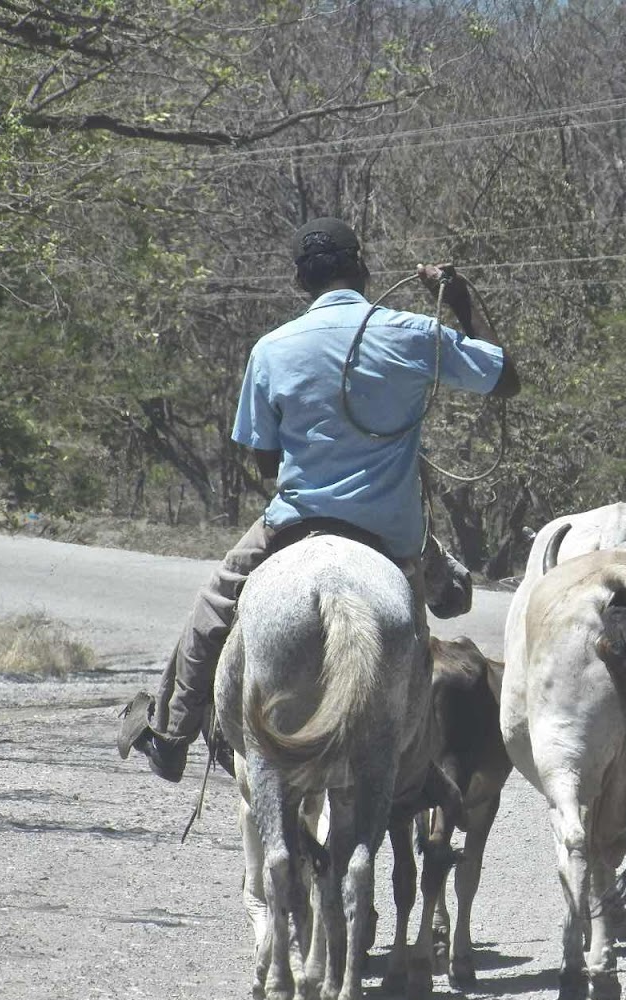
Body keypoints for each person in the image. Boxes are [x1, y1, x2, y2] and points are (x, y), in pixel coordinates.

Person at [118, 217, 520, 782]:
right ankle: (421, 759)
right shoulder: (411, 332)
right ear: (362, 268)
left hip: (296, 523)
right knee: (445, 603)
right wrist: (455, 300)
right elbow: (504, 378)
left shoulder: (271, 348)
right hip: (395, 532)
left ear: (301, 281)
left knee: (213, 604)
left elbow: (263, 458)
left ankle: (172, 733)